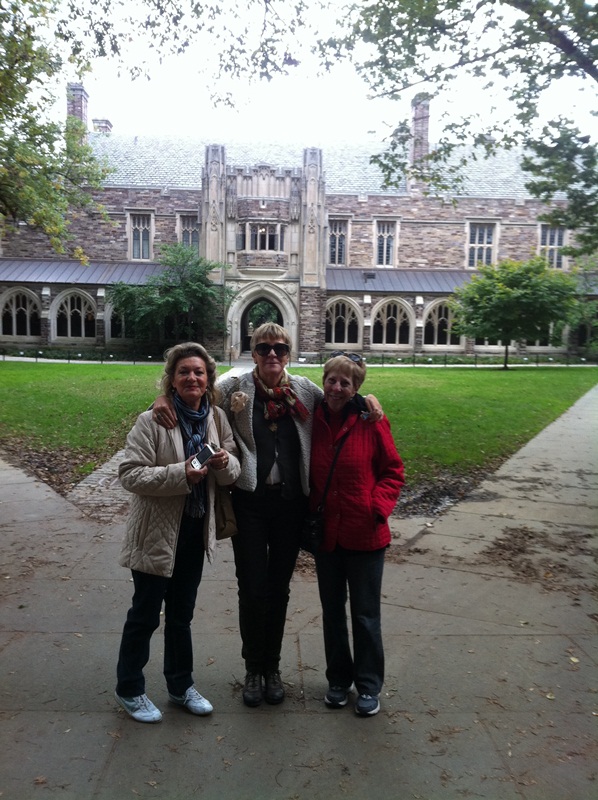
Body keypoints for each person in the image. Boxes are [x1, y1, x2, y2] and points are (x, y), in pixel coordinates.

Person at [152, 324, 383, 708]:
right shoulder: (235, 388)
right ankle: (253, 669)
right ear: (254, 352)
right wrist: (160, 398)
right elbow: (193, 392)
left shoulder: (306, 390)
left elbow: (342, 398)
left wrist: (370, 399)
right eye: (263, 348)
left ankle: (272, 667)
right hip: (251, 505)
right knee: (252, 587)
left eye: (279, 348)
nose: (271, 354)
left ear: (288, 353)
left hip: (291, 506)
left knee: (279, 589)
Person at [115, 342, 241, 723]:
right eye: (183, 371)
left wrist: (223, 462)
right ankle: (130, 689)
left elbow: (233, 468)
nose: (192, 378)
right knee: (145, 614)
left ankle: (180, 685)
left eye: (199, 372)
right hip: (155, 533)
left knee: (181, 615)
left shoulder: (216, 418)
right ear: (171, 379)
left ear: (208, 379)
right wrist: (180, 473)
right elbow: (130, 474)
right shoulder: (151, 420)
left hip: (194, 531)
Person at [309, 354, 404, 717]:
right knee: (332, 613)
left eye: (345, 383)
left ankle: (368, 685)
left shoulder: (371, 420)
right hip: (327, 536)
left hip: (365, 534)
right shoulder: (312, 418)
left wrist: (376, 508)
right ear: (323, 381)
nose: (336, 388)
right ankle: (338, 680)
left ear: (357, 389)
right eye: (331, 380)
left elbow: (393, 470)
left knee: (365, 615)